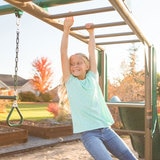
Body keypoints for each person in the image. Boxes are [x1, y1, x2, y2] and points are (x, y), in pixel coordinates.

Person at [60, 16, 137, 160]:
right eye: (72, 64)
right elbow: (63, 53)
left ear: (87, 66)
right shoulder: (70, 82)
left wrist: (91, 33)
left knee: (129, 157)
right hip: (89, 134)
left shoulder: (92, 77)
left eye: (79, 63)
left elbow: (91, 52)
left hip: (106, 129)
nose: (75, 66)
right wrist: (66, 30)